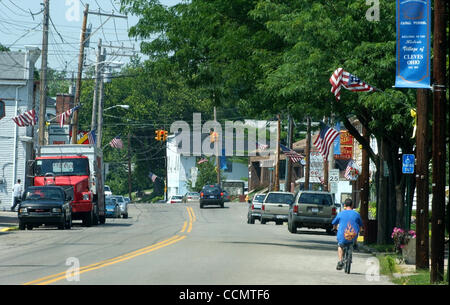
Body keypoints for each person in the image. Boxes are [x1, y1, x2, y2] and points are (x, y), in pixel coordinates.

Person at [331, 198, 363, 270]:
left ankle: (340, 261)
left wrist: (335, 228)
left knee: (340, 246)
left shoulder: (340, 214)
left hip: (343, 236)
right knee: (355, 234)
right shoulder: (357, 214)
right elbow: (361, 225)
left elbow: (334, 223)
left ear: (344, 205)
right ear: (352, 205)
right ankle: (355, 244)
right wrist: (360, 230)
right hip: (353, 236)